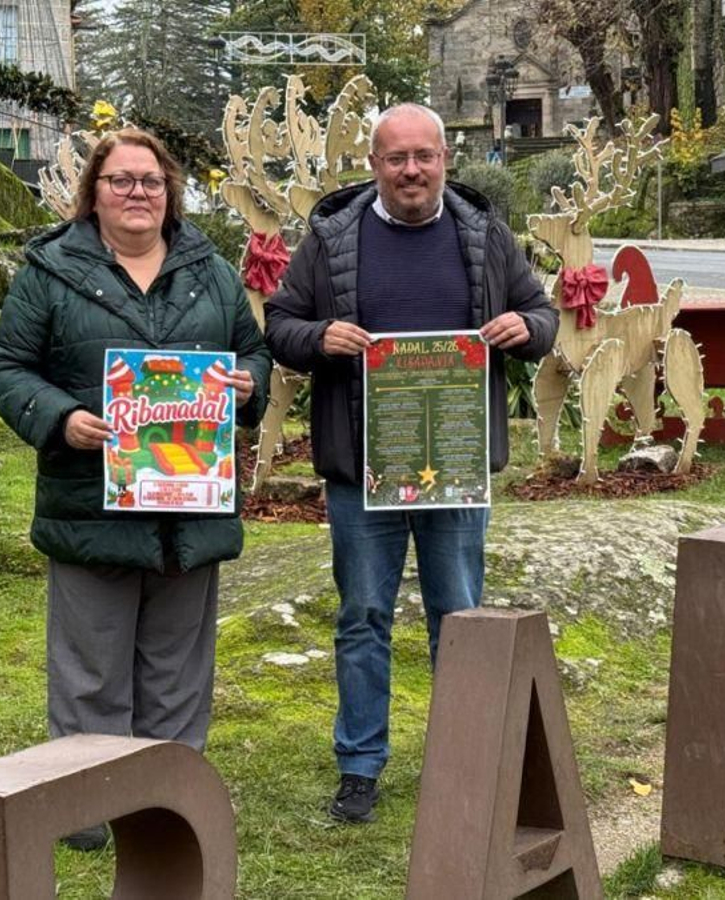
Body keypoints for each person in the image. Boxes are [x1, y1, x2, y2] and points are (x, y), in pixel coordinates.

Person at [263, 103, 557, 823]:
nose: (412, 170)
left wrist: (525, 327)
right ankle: (360, 764)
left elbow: (543, 314)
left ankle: (467, 757)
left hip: (453, 463)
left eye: (424, 156)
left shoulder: (484, 233)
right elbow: (279, 323)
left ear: (445, 159)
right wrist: (319, 337)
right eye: (396, 158)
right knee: (363, 615)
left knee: (459, 616)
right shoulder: (332, 237)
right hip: (362, 468)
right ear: (374, 165)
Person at [0, 128, 271, 849]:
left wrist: (247, 384)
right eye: (121, 180)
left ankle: (165, 807)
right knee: (91, 668)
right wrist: (61, 417)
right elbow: (8, 367)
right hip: (91, 504)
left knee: (178, 674)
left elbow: (253, 351)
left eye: (151, 181)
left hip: (189, 510)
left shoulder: (211, 272)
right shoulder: (49, 270)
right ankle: (82, 810)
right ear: (95, 192)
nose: (137, 193)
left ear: (169, 192)